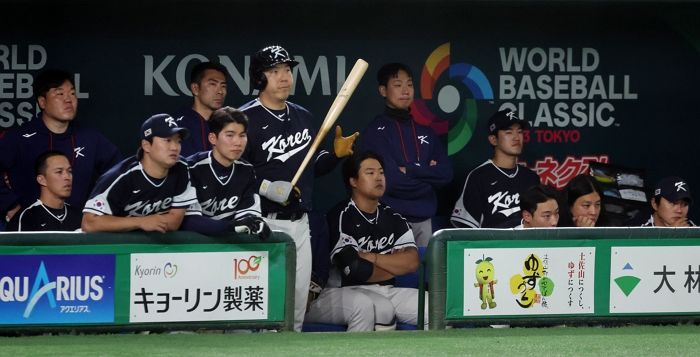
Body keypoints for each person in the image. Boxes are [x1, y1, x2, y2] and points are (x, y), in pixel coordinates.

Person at [239, 45, 358, 331]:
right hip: (261, 223)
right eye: (274, 71)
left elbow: (313, 166)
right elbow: (234, 173)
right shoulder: (244, 118)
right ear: (259, 77)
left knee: (295, 308)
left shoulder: (303, 115)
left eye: (288, 70)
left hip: (300, 223)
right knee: (254, 305)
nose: (284, 77)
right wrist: (267, 187)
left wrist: (335, 157)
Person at [305, 151, 426, 331]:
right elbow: (355, 270)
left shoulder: (393, 216)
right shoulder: (340, 216)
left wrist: (371, 257)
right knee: (372, 307)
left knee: (434, 307)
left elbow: (412, 262)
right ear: (353, 181)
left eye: (381, 172)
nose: (378, 178)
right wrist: (394, 266)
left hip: (387, 290)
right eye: (370, 173)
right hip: (343, 290)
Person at [0, 69, 121, 227]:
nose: (68, 100)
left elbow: (119, 174)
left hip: (77, 231)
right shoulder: (19, 137)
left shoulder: (90, 137)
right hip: (28, 232)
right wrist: (10, 206)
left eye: (72, 93)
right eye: (59, 94)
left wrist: (98, 211)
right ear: (42, 102)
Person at [361, 63, 452, 247]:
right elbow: (390, 182)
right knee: (394, 274)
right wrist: (428, 177)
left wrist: (409, 170)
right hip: (389, 219)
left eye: (409, 84)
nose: (405, 90)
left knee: (425, 274)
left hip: (425, 220)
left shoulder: (426, 132)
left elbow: (446, 174)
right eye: (397, 85)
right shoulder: (376, 131)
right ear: (383, 90)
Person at [81, 114, 197, 232]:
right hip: (114, 247)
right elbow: (89, 223)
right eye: (167, 140)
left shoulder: (181, 168)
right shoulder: (121, 177)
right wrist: (140, 222)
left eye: (178, 141)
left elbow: (173, 222)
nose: (175, 147)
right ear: (146, 145)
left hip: (147, 247)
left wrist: (148, 222)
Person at [181, 106, 270, 239]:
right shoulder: (191, 168)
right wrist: (232, 226)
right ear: (213, 138)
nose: (238, 142)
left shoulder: (246, 170)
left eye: (242, 135)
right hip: (193, 248)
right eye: (230, 135)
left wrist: (255, 223)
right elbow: (189, 221)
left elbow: (247, 216)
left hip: (229, 252)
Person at [451, 109, 540, 228]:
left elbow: (541, 222)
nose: (516, 137)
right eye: (508, 132)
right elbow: (466, 229)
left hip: (527, 245)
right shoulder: (478, 177)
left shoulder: (531, 178)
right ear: (493, 139)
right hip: (491, 245)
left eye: (519, 132)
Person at [6, 151, 81, 231]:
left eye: (69, 171)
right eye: (59, 172)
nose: (67, 177)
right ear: (42, 180)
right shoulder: (25, 218)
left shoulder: (80, 217)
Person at [174, 61, 228, 157]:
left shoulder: (228, 124)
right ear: (195, 89)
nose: (220, 91)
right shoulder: (179, 125)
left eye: (223, 86)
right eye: (212, 84)